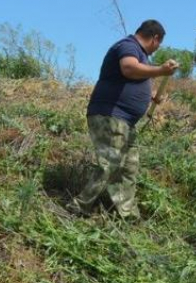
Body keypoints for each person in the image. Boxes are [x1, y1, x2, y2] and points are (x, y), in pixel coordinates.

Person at [73, 20, 178, 218]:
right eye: (159, 44)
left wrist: (152, 96)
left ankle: (127, 215)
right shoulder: (128, 46)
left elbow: (131, 81)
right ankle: (80, 206)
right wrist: (161, 70)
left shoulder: (140, 55)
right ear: (155, 38)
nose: (156, 49)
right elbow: (129, 69)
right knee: (109, 163)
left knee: (128, 168)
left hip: (126, 122)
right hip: (111, 115)